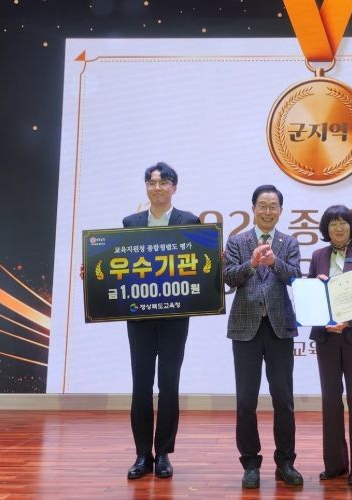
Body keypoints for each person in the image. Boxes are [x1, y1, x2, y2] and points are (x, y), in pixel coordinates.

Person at [121, 162, 200, 480]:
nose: (157, 187)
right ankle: (143, 454)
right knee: (140, 386)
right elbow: (120, 264)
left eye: (164, 182)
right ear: (146, 187)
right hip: (139, 315)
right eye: (152, 182)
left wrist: (211, 261)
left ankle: (164, 452)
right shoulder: (130, 223)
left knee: (169, 385)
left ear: (174, 188)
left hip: (175, 316)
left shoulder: (189, 221)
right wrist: (96, 274)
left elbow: (198, 263)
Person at [223, 185, 303, 489]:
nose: (268, 211)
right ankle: (250, 463)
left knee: (284, 399)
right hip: (245, 328)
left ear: (280, 211)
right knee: (246, 400)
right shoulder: (237, 241)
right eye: (262, 205)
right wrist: (252, 263)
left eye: (273, 206)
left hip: (280, 327)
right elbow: (228, 277)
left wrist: (274, 263)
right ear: (253, 209)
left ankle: (285, 462)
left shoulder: (289, 242)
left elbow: (295, 277)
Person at [307, 205, 352, 486]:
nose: (338, 228)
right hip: (327, 337)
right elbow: (311, 295)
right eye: (333, 224)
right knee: (330, 400)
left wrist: (348, 321)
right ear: (326, 229)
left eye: (343, 223)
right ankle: (335, 464)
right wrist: (318, 289)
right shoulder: (318, 256)